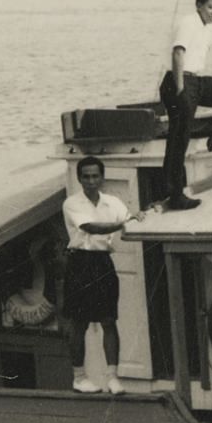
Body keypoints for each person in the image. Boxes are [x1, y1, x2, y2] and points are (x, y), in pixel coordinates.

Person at [156, 0, 212, 208]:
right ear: (199, 6)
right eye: (210, 7)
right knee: (179, 137)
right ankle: (174, 194)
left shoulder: (209, 27)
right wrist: (180, 88)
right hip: (178, 81)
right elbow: (178, 53)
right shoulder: (189, 22)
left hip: (196, 81)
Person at [60, 155, 135, 392]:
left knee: (109, 321)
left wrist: (140, 217)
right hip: (79, 263)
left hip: (103, 262)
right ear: (79, 178)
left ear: (102, 178)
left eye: (95, 176)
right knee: (78, 323)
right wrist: (121, 225)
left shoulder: (114, 203)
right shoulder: (71, 203)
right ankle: (79, 377)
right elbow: (91, 228)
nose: (91, 181)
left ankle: (112, 377)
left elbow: (131, 222)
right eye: (86, 176)